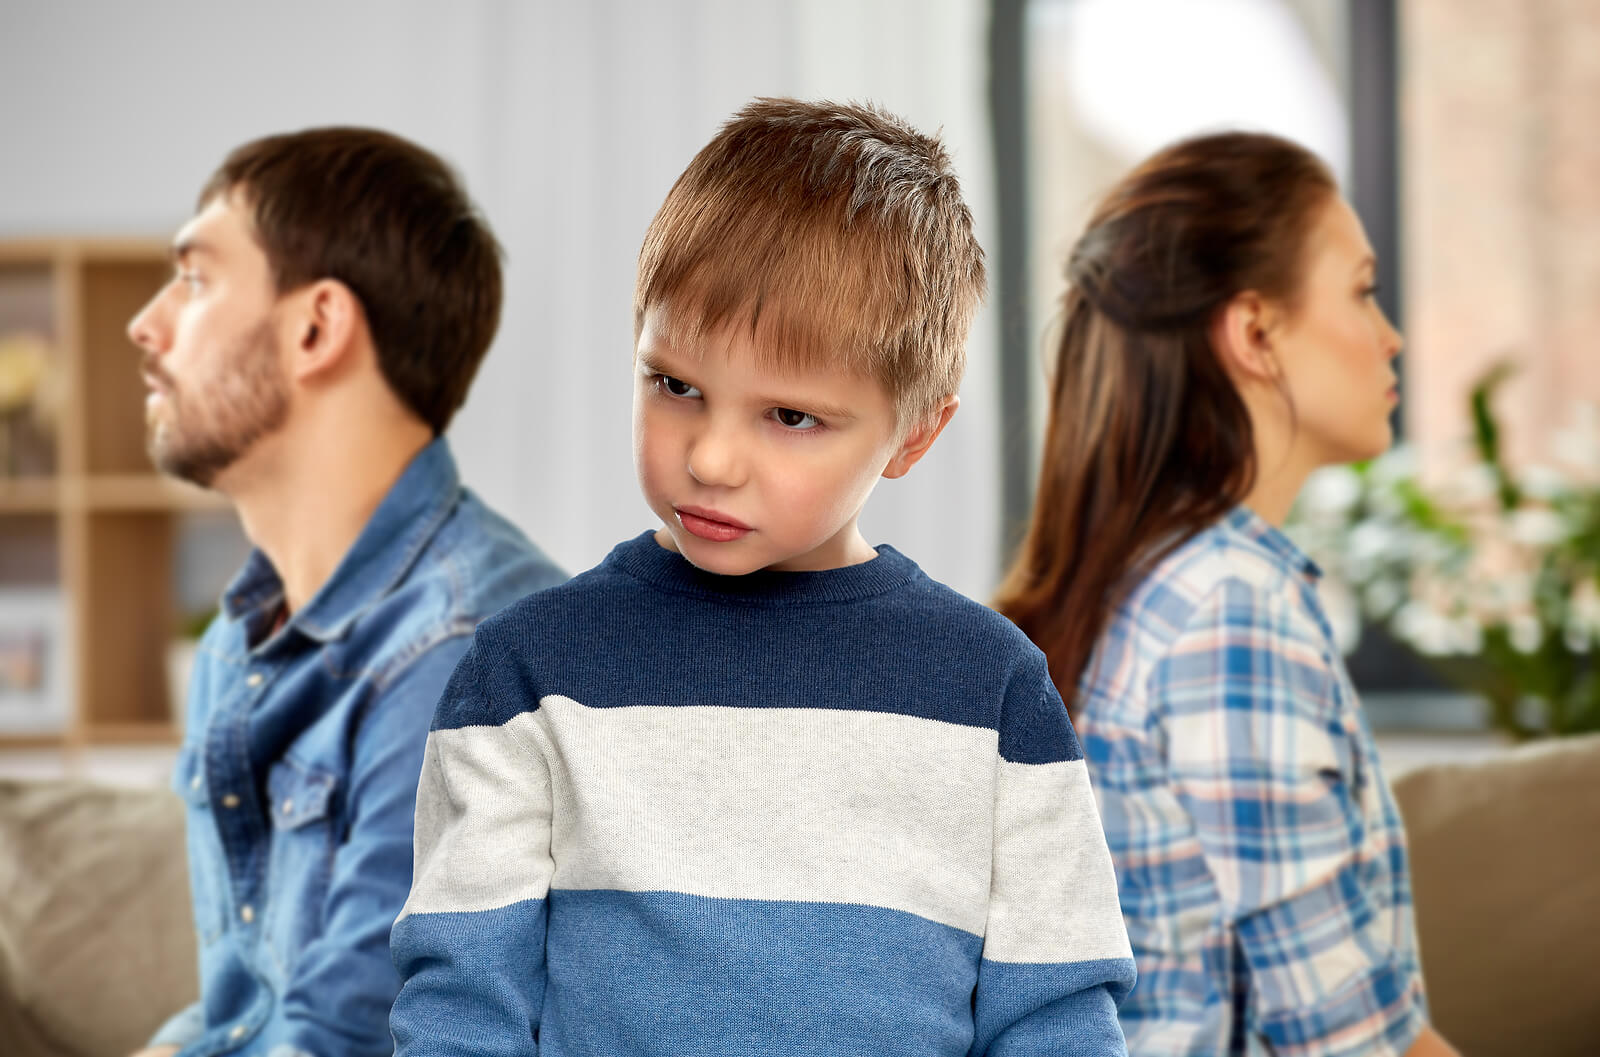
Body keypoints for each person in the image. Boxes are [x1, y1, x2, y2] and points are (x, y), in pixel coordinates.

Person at [388, 98, 1136, 1057]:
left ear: (915, 433)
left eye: (788, 416)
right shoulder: (527, 672)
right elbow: (461, 1006)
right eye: (676, 385)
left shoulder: (992, 692)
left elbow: (1058, 1017)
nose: (710, 458)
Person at [994, 131, 1459, 1057]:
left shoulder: (1154, 581)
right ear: (1254, 333)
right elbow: (1353, 1043)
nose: (1390, 333)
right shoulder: (1230, 612)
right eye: (1362, 291)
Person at [125, 127, 566, 1057]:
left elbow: (342, 1041)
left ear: (316, 328)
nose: (146, 324)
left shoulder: (465, 651)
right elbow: (245, 1007)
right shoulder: (234, 649)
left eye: (197, 279)